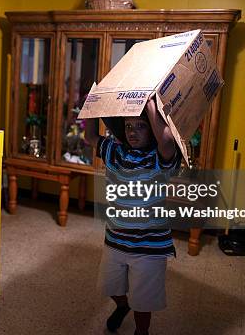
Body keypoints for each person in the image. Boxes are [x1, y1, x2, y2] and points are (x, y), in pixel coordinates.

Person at [83, 96, 180, 335]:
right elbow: (90, 138)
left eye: (140, 126)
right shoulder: (115, 152)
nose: (133, 132)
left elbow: (167, 142)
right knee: (110, 286)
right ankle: (122, 305)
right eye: (128, 126)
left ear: (151, 129)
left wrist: (150, 104)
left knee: (143, 300)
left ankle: (141, 331)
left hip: (149, 246)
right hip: (115, 240)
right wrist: (93, 104)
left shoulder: (159, 159)